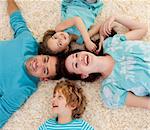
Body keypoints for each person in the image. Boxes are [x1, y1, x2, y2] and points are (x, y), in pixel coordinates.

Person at [59, 15, 150, 110]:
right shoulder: (110, 90)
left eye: (76, 55)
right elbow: (147, 103)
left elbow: (142, 29)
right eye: (76, 65)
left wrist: (115, 17)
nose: (79, 59)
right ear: (84, 75)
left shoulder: (111, 44)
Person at [0, 0, 61, 128]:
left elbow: (2, 112)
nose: (38, 65)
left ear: (44, 78)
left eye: (45, 70)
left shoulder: (23, 89)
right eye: (44, 60)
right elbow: (17, 20)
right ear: (42, 54)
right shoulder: (28, 42)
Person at [39, 0, 103, 55]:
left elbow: (76, 20)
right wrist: (89, 42)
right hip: (89, 7)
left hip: (75, 2)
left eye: (55, 37)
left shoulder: (59, 28)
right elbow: (99, 25)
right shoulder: (80, 39)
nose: (60, 38)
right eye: (60, 44)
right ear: (66, 49)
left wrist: (87, 41)